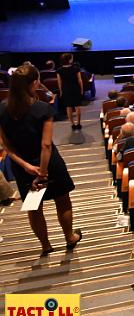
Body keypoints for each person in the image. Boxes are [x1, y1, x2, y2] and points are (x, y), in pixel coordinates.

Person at [0, 65, 81, 255]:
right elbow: (45, 146)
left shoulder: (1, 109)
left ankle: (45, 245)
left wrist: (27, 166)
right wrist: (42, 172)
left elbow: (6, 146)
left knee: (34, 208)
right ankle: (69, 237)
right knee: (62, 201)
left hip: (22, 167)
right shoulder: (43, 108)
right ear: (34, 83)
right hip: (49, 164)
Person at [56, 52, 83, 130]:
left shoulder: (59, 70)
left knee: (68, 107)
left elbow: (59, 82)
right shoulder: (76, 68)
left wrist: (61, 91)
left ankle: (72, 124)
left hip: (66, 89)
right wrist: (81, 89)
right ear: (69, 59)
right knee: (77, 106)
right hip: (75, 89)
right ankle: (78, 123)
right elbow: (79, 80)